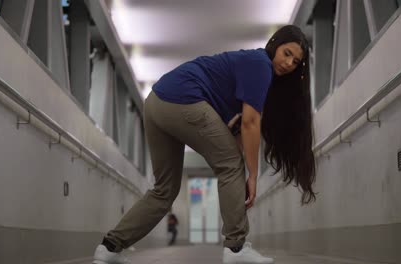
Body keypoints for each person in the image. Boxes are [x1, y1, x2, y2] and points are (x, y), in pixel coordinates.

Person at [92, 24, 316, 264]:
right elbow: (251, 123)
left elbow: (239, 129)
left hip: (157, 103)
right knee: (231, 165)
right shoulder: (260, 64)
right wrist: (251, 174)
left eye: (296, 62)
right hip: (184, 99)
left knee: (164, 190)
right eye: (287, 53)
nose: (289, 63)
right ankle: (236, 248)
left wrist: (236, 177)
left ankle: (110, 247)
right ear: (274, 45)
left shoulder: (255, 70)